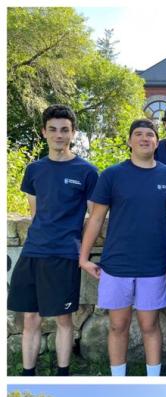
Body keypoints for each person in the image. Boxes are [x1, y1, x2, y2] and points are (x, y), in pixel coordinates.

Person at [79, 118, 166, 377]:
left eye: (150, 135)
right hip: (116, 264)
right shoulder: (112, 174)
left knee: (149, 325)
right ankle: (117, 379)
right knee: (117, 325)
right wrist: (83, 257)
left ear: (157, 142)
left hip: (154, 265)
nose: (144, 138)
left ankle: (153, 379)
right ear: (129, 141)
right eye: (139, 134)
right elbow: (97, 218)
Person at [7, 104, 98, 376]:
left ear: (73, 133)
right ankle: (27, 372)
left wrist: (83, 254)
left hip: (63, 255)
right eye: (53, 129)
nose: (59, 135)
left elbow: (95, 216)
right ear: (44, 132)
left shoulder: (87, 172)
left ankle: (63, 372)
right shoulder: (34, 170)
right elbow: (35, 214)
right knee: (30, 318)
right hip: (32, 252)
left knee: (62, 318)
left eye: (65, 130)